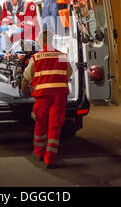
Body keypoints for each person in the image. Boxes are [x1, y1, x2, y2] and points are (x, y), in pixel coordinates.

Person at [21, 30, 72, 168]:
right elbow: (69, 73)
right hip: (59, 96)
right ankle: (50, 158)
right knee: (55, 125)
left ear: (42, 41)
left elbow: (27, 76)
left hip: (42, 96)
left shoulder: (37, 57)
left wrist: (23, 87)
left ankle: (39, 152)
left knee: (40, 123)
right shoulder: (62, 55)